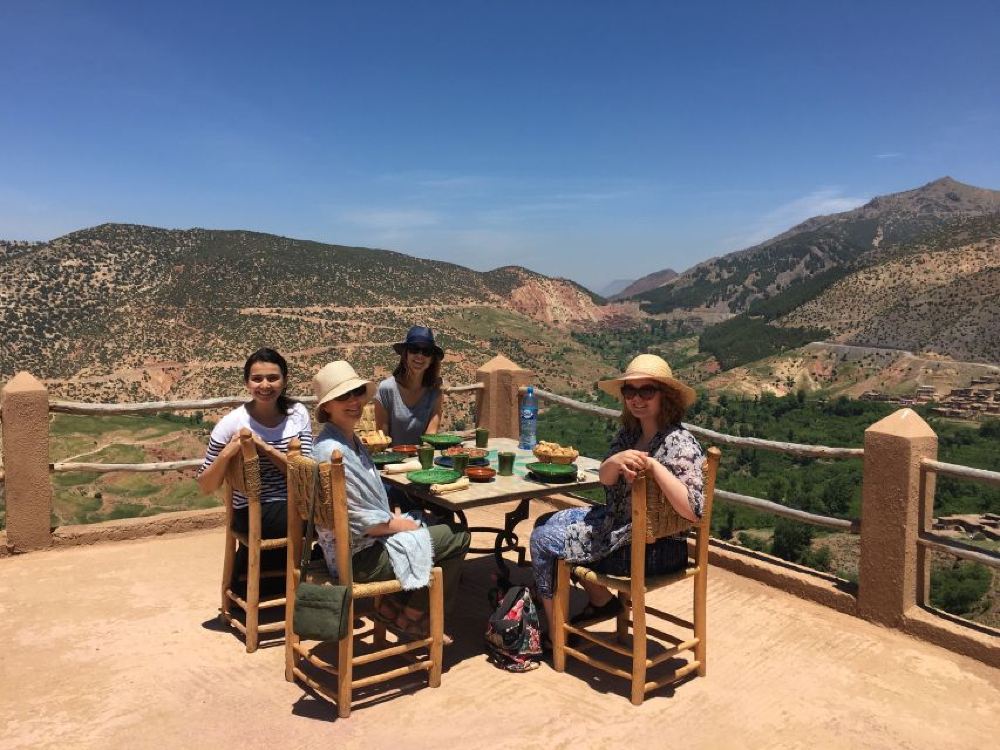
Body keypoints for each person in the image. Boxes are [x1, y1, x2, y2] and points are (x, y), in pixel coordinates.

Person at [529, 354, 705, 640]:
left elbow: (693, 511)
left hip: (655, 551)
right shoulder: (630, 434)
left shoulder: (679, 444)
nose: (636, 399)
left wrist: (654, 467)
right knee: (546, 521)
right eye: (629, 391)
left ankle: (554, 635)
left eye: (646, 391)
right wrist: (616, 460)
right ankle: (600, 600)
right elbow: (606, 478)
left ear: (666, 396)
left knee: (543, 539)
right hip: (624, 531)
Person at [310, 360, 470, 641]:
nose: (354, 402)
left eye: (357, 393)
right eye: (343, 396)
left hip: (344, 550)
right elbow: (360, 521)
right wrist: (403, 525)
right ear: (327, 407)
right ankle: (415, 615)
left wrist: (401, 521)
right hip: (359, 557)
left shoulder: (342, 442)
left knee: (431, 522)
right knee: (457, 535)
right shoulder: (335, 453)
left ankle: (394, 606)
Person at [197, 348, 313, 579]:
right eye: (257, 379)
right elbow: (206, 485)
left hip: (296, 502)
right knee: (332, 516)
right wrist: (227, 453)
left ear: (284, 380)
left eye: (272, 378)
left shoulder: (297, 414)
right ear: (247, 383)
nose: (265, 385)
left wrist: (265, 448)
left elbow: (305, 472)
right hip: (252, 510)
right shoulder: (231, 423)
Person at [374, 326, 444, 446]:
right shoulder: (386, 390)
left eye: (426, 351)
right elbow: (382, 438)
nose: (420, 356)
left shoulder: (435, 392)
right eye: (414, 349)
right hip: (392, 457)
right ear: (405, 354)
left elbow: (430, 437)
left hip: (423, 455)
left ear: (432, 359)